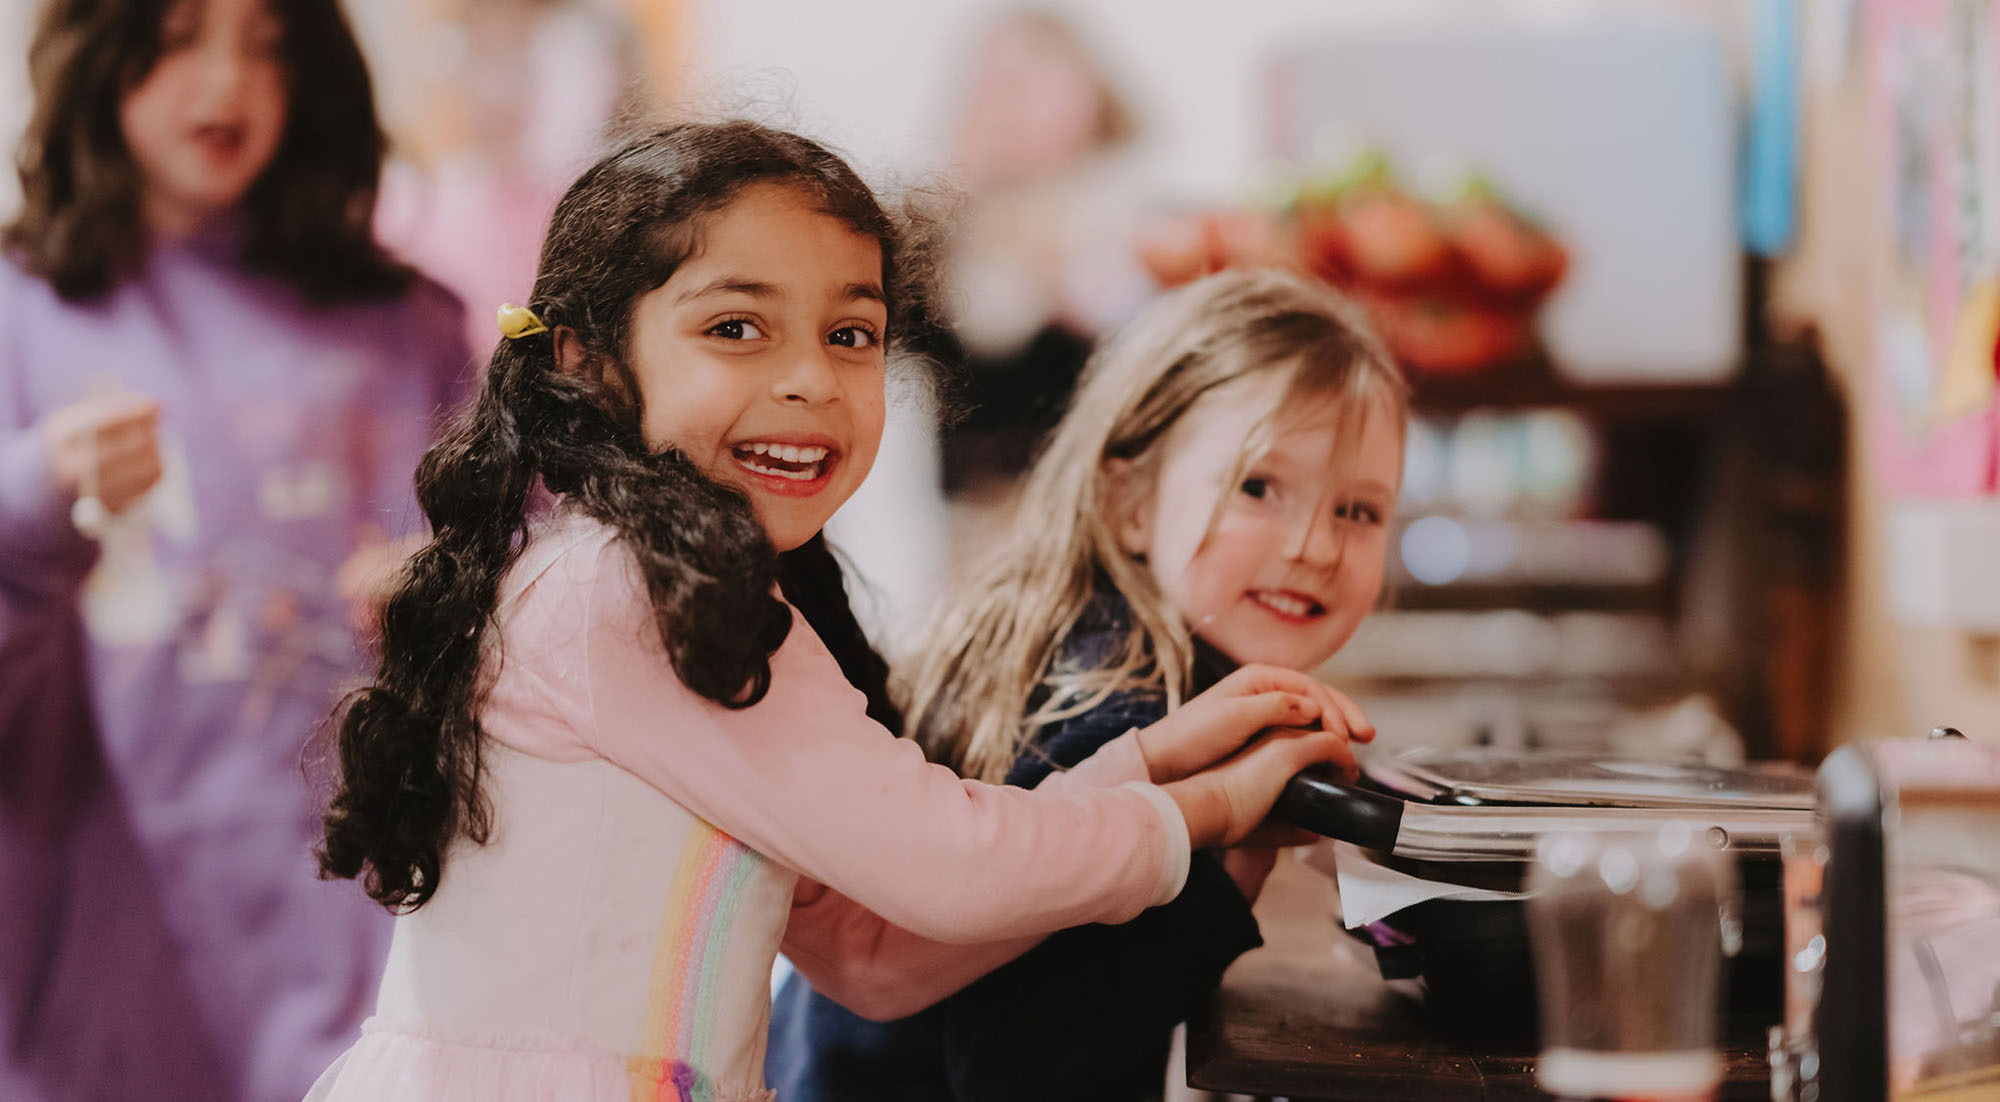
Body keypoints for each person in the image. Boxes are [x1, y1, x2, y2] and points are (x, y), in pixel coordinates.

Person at [304, 120, 1360, 1102]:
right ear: (584, 360)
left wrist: (1151, 764)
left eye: (850, 333)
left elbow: (873, 952)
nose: (811, 376)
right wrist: (1200, 814)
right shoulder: (629, 599)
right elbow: (949, 868)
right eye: (736, 327)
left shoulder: (668, 589)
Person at [769, 267, 1409, 1102]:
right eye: (1259, 488)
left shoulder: (1098, 646)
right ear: (1130, 501)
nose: (1316, 547)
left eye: (1356, 511)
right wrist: (1227, 868)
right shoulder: (1111, 705)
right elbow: (1031, 1067)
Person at [0, 0, 470, 1099]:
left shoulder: (412, 328)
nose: (226, 82)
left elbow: (540, 620)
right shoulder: (19, 312)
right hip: (96, 978)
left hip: (381, 967)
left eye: (267, 43)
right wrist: (32, 502)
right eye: (178, 36)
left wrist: (452, 592)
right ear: (99, 52)